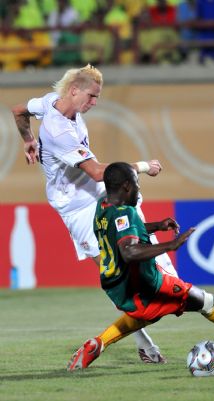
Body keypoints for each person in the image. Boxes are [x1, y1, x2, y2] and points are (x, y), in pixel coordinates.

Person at [11, 64, 175, 364]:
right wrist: (143, 166)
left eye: (97, 97)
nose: (94, 103)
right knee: (121, 280)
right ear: (74, 90)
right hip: (79, 210)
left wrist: (27, 140)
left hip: (103, 198)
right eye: (92, 96)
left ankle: (163, 291)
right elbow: (99, 173)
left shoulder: (49, 101)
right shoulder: (57, 129)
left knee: (158, 279)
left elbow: (18, 110)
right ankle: (145, 346)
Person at [67, 161, 214, 371]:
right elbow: (129, 251)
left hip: (120, 286)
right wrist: (171, 244)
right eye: (137, 184)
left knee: (144, 314)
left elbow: (122, 232)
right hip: (145, 283)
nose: (139, 189)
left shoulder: (103, 207)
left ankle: (97, 344)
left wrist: (156, 226)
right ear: (126, 186)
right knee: (203, 300)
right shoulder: (126, 212)